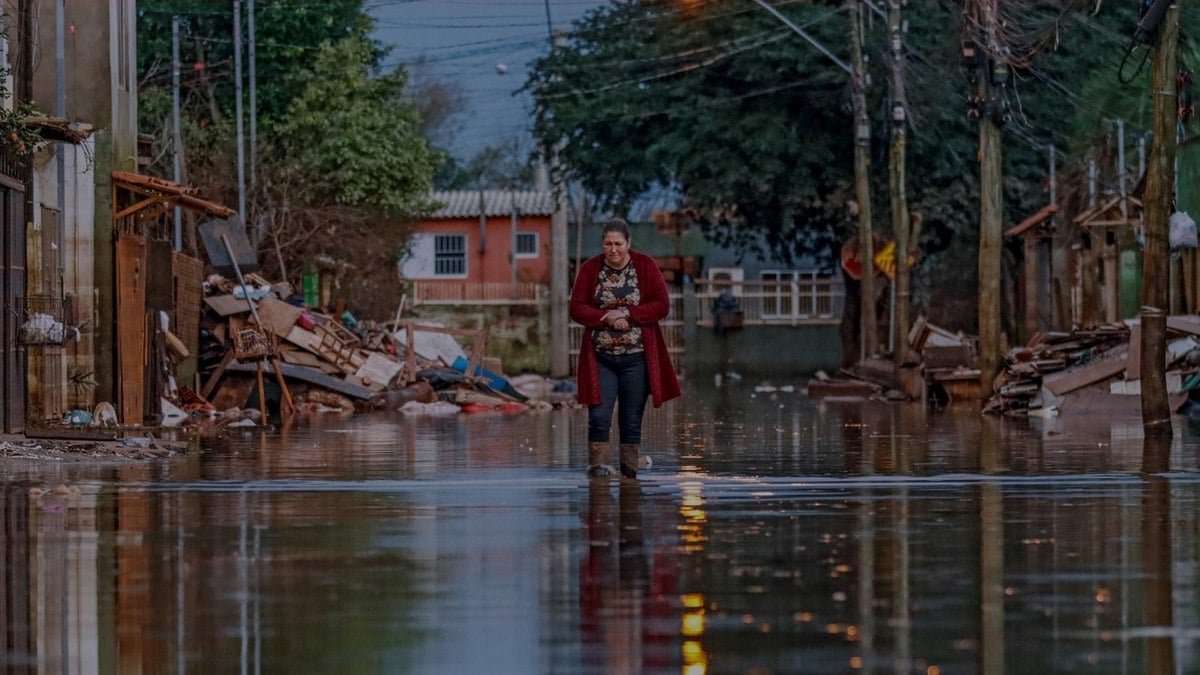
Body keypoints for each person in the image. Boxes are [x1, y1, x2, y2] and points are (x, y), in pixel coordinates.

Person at [570, 218, 681, 478]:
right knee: (599, 416)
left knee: (631, 420)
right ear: (602, 244)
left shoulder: (645, 266)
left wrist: (628, 314)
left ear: (628, 243)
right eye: (608, 244)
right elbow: (576, 307)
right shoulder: (590, 269)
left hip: (637, 358)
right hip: (601, 358)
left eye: (618, 243)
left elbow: (661, 305)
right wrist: (605, 317)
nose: (613, 249)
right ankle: (597, 470)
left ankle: (629, 474)